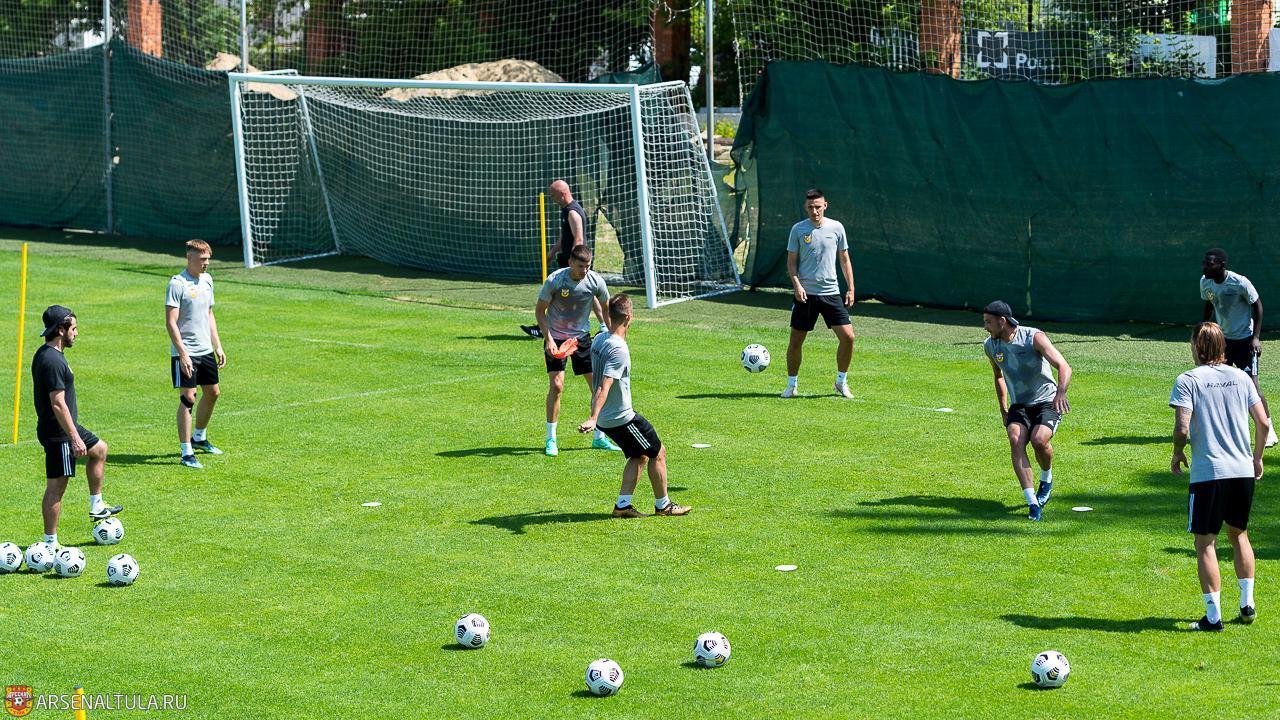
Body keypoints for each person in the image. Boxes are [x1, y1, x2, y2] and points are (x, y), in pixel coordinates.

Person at [1170, 322, 1265, 631]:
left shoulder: (1188, 380)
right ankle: (1247, 604)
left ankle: (1213, 618)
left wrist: (1177, 451)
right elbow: (1264, 423)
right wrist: (1257, 458)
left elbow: (1182, 427)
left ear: (1197, 347)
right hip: (1242, 471)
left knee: (1205, 543)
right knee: (1239, 535)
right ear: (1222, 346)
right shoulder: (1241, 377)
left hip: (1209, 474)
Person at [579, 294, 691, 518]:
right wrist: (592, 417)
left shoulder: (600, 339)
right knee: (658, 451)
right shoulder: (618, 349)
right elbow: (604, 386)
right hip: (620, 417)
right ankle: (664, 506)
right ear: (629, 317)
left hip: (607, 418)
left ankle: (622, 507)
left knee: (639, 455)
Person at [31, 306, 122, 552]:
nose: (76, 333)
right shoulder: (51, 360)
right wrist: (74, 437)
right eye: (73, 328)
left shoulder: (50, 354)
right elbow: (58, 403)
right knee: (56, 488)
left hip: (65, 427)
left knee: (100, 450)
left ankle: (97, 505)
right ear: (61, 330)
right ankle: (50, 544)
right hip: (59, 433)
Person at [982, 300, 1072, 521]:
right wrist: (1003, 409)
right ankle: (1032, 502)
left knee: (1039, 440)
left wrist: (1061, 393)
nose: (985, 327)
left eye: (988, 322)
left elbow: (1064, 366)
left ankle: (1046, 479)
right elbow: (998, 376)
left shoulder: (1033, 337)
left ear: (1002, 321)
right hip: (1019, 405)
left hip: (1047, 401)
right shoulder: (990, 345)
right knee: (1015, 439)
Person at [536, 244, 617, 456]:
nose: (585, 270)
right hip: (556, 337)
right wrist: (549, 340)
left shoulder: (595, 281)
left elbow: (606, 308)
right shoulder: (555, 280)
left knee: (597, 388)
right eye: (581, 266)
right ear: (570, 262)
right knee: (556, 386)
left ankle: (599, 437)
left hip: (581, 339)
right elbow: (540, 311)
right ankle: (551, 439)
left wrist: (612, 335)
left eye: (588, 266)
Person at [781, 188, 856, 399]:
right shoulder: (798, 230)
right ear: (805, 207)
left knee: (848, 337)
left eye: (817, 207)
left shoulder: (837, 228)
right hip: (805, 294)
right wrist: (797, 285)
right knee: (796, 340)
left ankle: (841, 382)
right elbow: (791, 263)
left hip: (831, 293)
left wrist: (851, 288)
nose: (814, 211)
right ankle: (791, 385)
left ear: (825, 205)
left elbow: (844, 259)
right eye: (810, 207)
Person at [1200, 248, 1277, 447]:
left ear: (1222, 265)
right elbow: (1209, 304)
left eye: (1210, 264)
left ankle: (1267, 430)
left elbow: (1257, 306)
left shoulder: (1239, 282)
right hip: (1223, 342)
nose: (1205, 267)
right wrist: (1203, 329)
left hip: (1245, 341)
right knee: (1219, 383)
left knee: (1252, 385)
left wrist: (1256, 338)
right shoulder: (1205, 282)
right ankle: (1223, 429)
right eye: (1205, 263)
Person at [165, 239, 226, 469]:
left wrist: (217, 345)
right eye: (202, 259)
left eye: (208, 259)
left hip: (205, 350)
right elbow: (171, 322)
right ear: (189, 257)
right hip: (186, 352)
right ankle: (186, 452)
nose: (206, 263)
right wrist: (182, 354)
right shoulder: (177, 284)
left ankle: (199, 437)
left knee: (213, 393)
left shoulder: (207, 280)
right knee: (188, 398)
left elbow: (209, 314)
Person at [522, 180, 599, 339]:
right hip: (569, 261)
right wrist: (552, 252)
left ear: (562, 194)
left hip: (573, 263)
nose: (552, 199)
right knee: (584, 293)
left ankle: (602, 325)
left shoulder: (573, 212)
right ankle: (547, 327)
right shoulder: (566, 211)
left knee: (581, 293)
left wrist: (574, 264)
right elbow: (565, 236)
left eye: (553, 195)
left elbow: (578, 239)